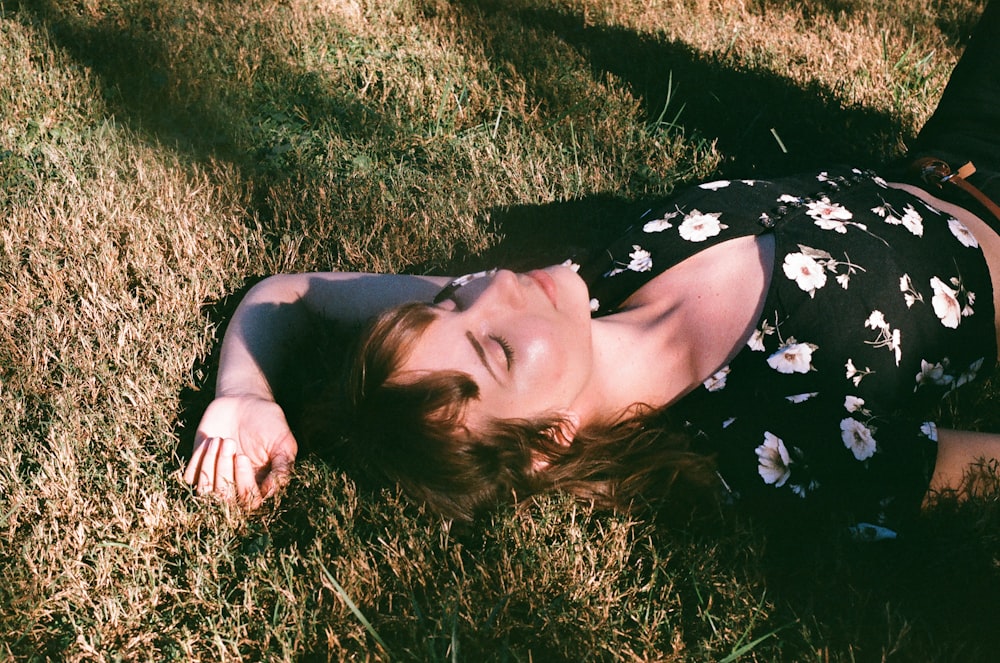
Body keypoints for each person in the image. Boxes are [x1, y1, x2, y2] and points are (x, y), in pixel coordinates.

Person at [184, 1, 1000, 532]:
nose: (495, 286)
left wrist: (245, 393)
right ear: (549, 442)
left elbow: (292, 296)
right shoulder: (770, 446)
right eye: (494, 349)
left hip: (954, 146)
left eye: (455, 296)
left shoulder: (589, 286)